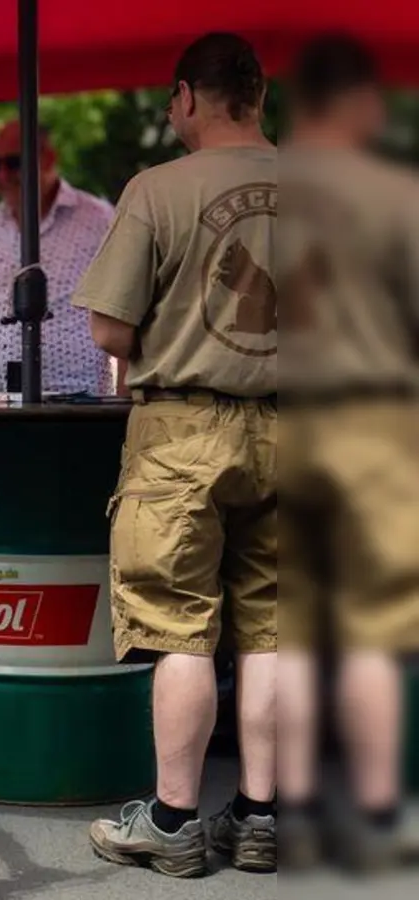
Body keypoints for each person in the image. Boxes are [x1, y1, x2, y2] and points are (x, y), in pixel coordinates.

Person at [73, 33, 278, 877]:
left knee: (179, 630)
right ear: (258, 97)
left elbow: (109, 329)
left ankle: (173, 821)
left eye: (171, 102)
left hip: (183, 433)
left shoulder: (157, 189)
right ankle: (265, 818)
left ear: (189, 96)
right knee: (276, 632)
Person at [276, 33, 419, 870]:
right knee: (373, 633)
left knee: (290, 631)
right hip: (376, 423)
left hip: (286, 417)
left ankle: (292, 814)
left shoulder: (267, 188)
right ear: (360, 100)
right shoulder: (396, 196)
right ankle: (373, 812)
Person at [0, 120, 116, 400]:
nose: (1, 175)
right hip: (1, 408)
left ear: (47, 158)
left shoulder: (98, 221)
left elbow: (126, 313)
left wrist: (123, 405)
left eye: (13, 163)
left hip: (81, 409)